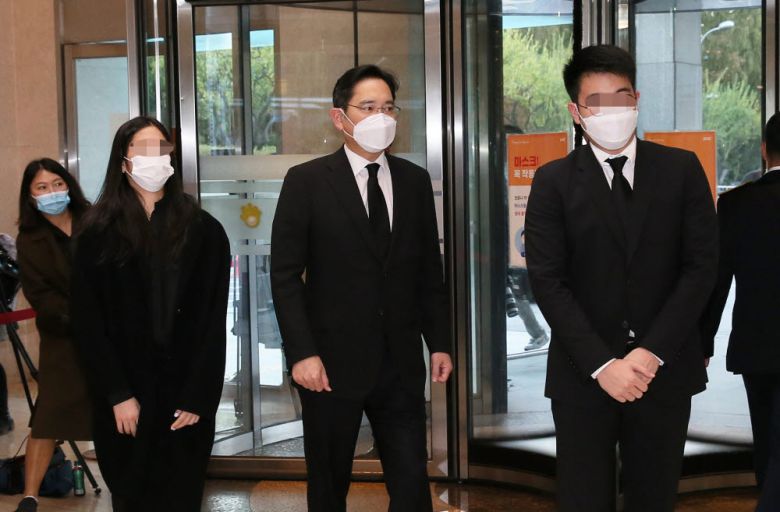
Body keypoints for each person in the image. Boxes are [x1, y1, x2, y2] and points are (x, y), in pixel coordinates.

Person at [524, 45, 718, 511]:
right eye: (597, 101)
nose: (612, 111)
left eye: (622, 97)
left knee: (655, 497)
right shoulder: (552, 181)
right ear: (575, 111)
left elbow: (701, 267)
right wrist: (603, 365)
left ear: (637, 99)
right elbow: (548, 280)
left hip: (663, 374)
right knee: (582, 499)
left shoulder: (681, 169)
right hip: (582, 375)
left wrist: (650, 354)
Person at [270, 64, 452, 512]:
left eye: (388, 107)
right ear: (340, 117)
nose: (381, 117)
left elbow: (428, 272)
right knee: (329, 485)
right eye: (368, 107)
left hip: (400, 364)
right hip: (329, 366)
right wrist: (302, 353)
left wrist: (440, 342)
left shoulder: (413, 181)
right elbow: (285, 276)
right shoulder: (307, 181)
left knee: (411, 485)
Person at [71, 116, 231, 511]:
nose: (153, 156)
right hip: (125, 394)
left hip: (183, 395)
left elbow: (213, 323)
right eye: (142, 148)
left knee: (181, 495)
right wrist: (117, 394)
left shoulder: (203, 230)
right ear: (123, 161)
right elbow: (88, 322)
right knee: (130, 495)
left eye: (161, 148)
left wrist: (199, 396)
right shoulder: (96, 233)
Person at [701, 111, 780, 511]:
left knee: (766, 439)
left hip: (757, 345)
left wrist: (703, 342)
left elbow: (717, 280)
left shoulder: (736, 204)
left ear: (765, 150)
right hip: (758, 348)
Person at [13, 159, 92, 512]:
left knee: (115, 409)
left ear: (69, 185)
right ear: (30, 196)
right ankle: (30, 496)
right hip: (63, 336)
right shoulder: (30, 239)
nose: (52, 192)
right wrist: (80, 318)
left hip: (111, 333)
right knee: (48, 415)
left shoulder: (94, 221)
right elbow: (40, 294)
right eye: (42, 187)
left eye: (58, 184)